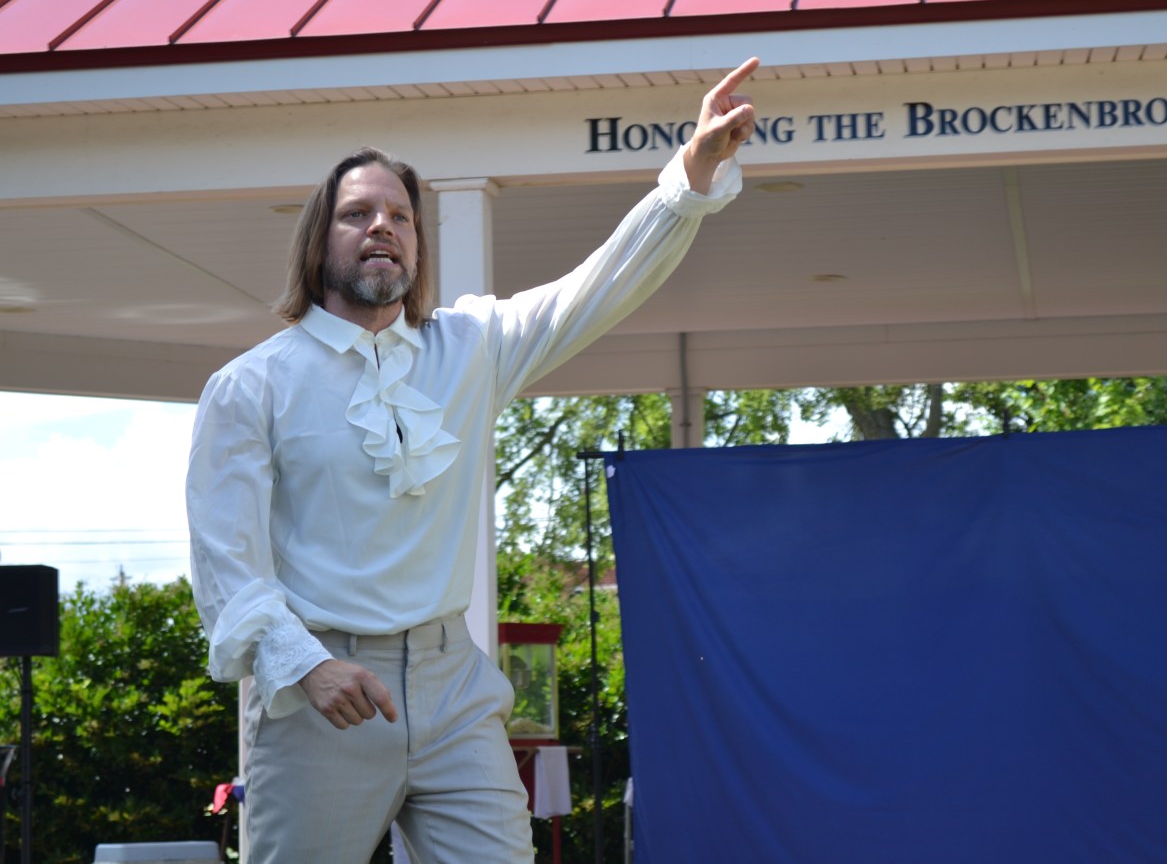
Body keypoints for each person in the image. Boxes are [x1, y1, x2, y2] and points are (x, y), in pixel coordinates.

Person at [186, 57, 759, 863]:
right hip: (322, 693)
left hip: (456, 684)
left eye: (400, 215)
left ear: (418, 244)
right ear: (320, 240)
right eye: (358, 213)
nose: (382, 225)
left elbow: (598, 287)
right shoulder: (250, 385)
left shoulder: (470, 348)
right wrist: (306, 666)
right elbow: (226, 564)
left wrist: (689, 176)